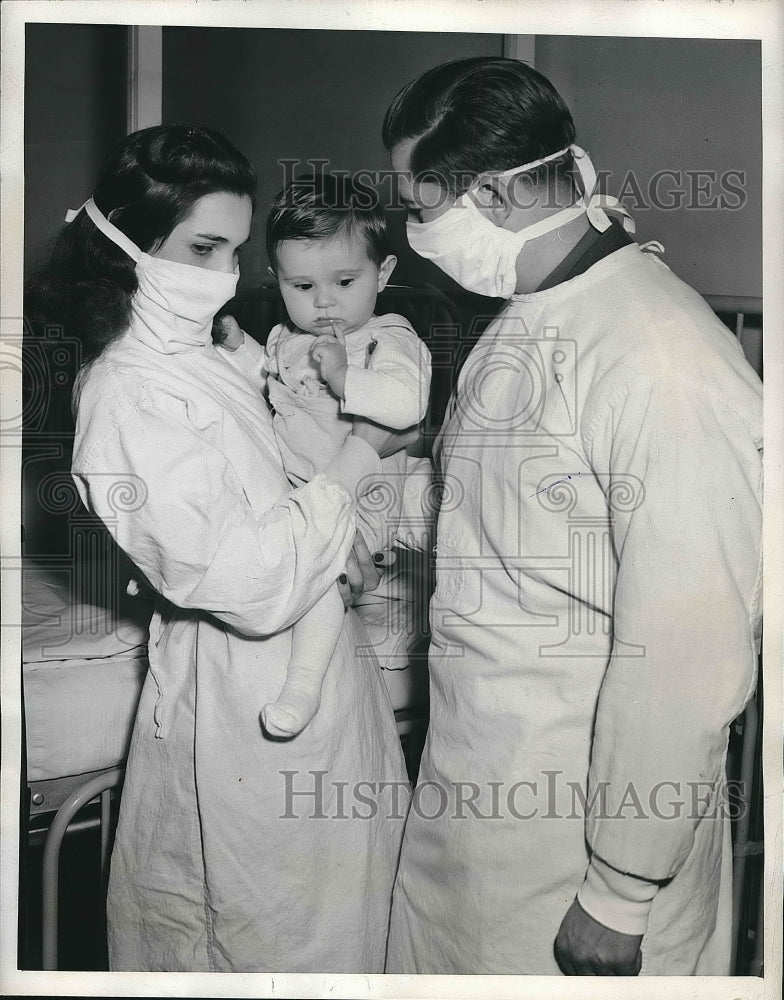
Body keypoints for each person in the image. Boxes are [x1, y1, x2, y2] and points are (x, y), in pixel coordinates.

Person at [381, 57, 763, 976]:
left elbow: (690, 650)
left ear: (499, 193)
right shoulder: (533, 310)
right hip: (483, 800)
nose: (412, 229)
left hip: (577, 848)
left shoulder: (662, 361)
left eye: (422, 205)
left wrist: (620, 890)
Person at [25, 124, 411, 972]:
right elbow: (251, 580)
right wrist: (362, 456)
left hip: (325, 682)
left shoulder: (202, 357)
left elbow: (280, 455)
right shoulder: (127, 397)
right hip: (244, 697)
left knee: (345, 922)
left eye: (235, 251)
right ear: (127, 242)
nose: (222, 276)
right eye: (202, 247)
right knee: (255, 934)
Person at [240, 172, 431, 738]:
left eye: (345, 280)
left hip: (372, 492)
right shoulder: (280, 338)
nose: (324, 302)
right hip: (304, 488)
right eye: (302, 287)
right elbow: (260, 383)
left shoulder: (385, 337)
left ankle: (302, 687)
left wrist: (347, 377)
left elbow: (407, 402)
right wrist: (234, 348)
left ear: (383, 274)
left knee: (324, 574)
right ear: (278, 282)